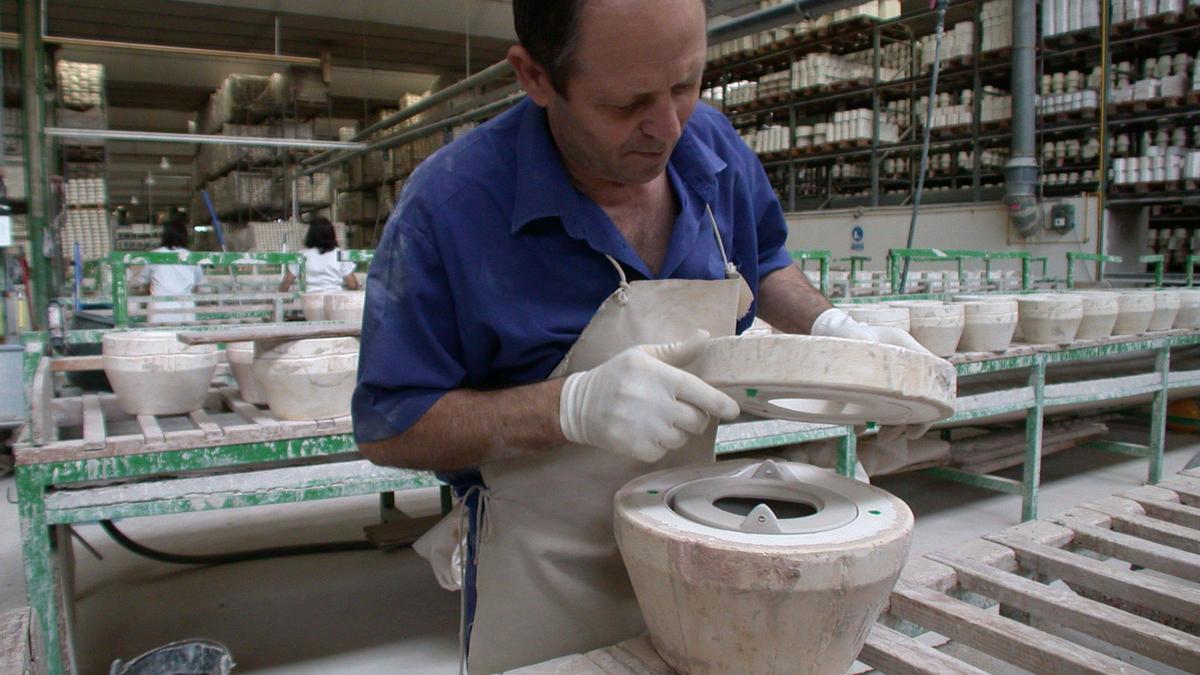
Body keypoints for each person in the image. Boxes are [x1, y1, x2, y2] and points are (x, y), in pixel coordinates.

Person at [353, 1, 930, 671]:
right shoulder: (448, 209)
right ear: (535, 77)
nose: (667, 127)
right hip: (548, 580)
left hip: (704, 550)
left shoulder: (711, 149)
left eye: (686, 84)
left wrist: (836, 331)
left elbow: (766, 260)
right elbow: (390, 424)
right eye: (628, 103)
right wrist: (568, 406)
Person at [133, 214, 203, 324]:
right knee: (184, 340)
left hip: (160, 307)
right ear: (185, 236)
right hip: (185, 308)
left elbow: (141, 280)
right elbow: (198, 282)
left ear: (164, 236)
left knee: (160, 339)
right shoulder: (191, 257)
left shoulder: (155, 255)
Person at [278, 217, 360, 293]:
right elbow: (352, 284)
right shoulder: (340, 254)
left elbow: (286, 283)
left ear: (310, 235)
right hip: (334, 300)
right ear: (331, 234)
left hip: (309, 301)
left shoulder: (301, 255)